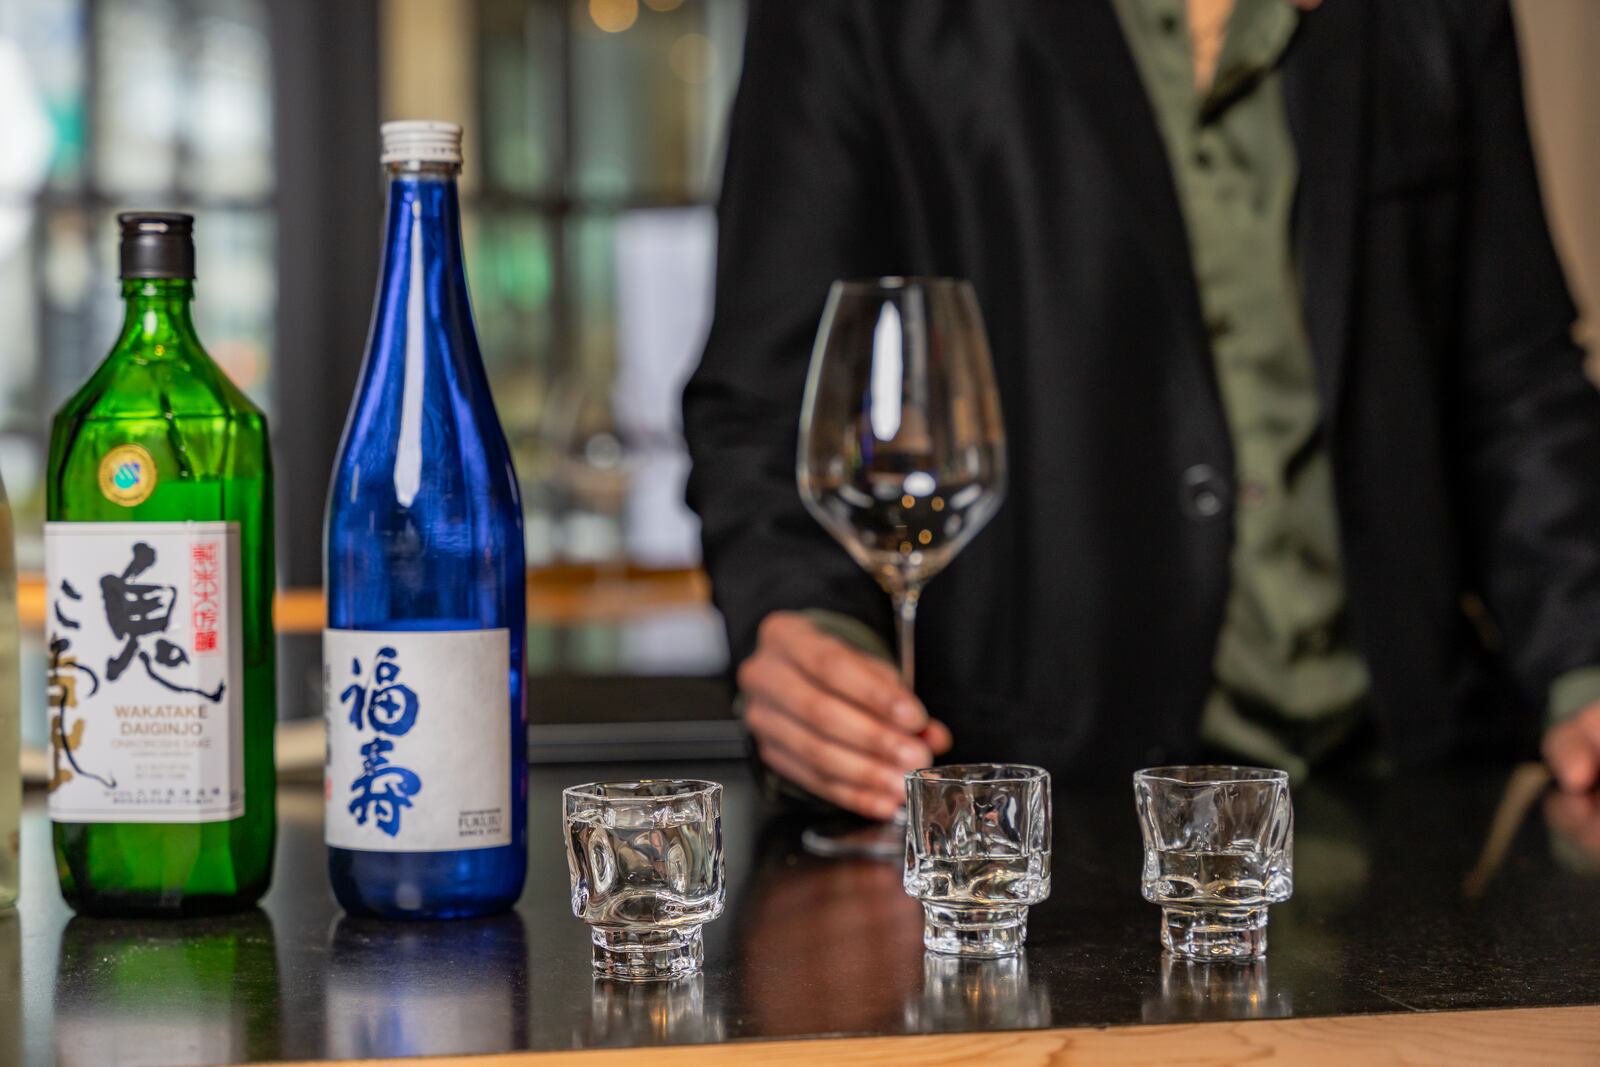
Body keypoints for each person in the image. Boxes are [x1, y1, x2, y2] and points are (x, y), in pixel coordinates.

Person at [682, 0, 1600, 819]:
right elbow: (770, 406)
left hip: (1405, 791)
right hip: (1033, 805)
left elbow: (1518, 384)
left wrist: (1584, 659)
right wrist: (808, 630)